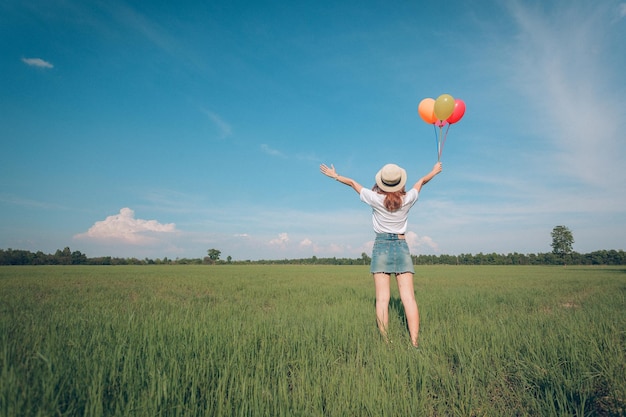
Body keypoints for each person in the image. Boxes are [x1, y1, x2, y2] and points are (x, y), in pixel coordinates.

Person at [320, 161, 442, 347]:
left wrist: (335, 176)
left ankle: (387, 343)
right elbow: (421, 181)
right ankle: (415, 344)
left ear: (382, 182)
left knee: (383, 299)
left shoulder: (374, 199)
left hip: (381, 246)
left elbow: (353, 183)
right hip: (402, 246)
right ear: (400, 182)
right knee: (408, 298)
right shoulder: (408, 198)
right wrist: (434, 171)